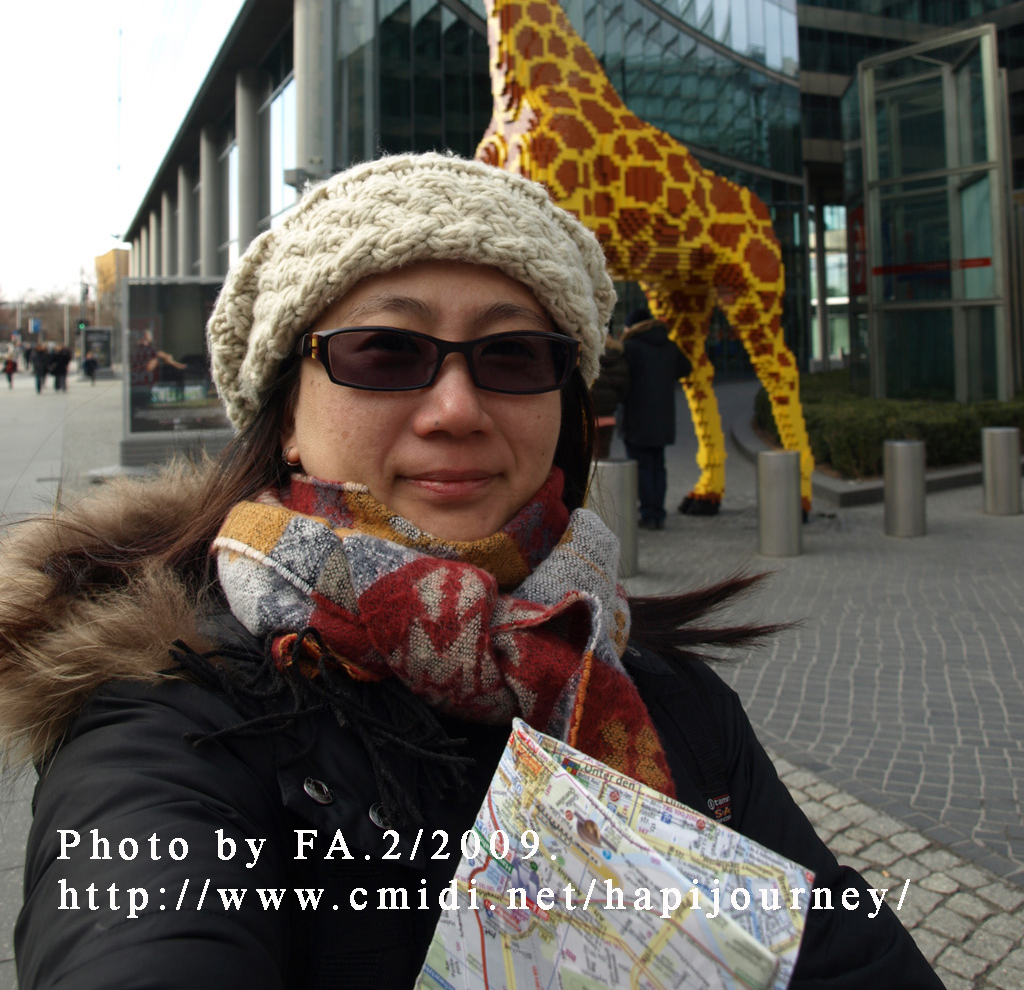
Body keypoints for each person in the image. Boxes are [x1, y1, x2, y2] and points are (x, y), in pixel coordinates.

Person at [0, 153, 940, 989]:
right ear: (285, 413)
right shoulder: (170, 717)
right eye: (385, 351)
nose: (455, 408)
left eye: (513, 354)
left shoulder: (672, 701)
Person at [621, 304, 690, 529]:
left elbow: (621, 380)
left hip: (637, 417)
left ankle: (648, 513)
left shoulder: (631, 348)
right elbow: (686, 368)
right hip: (663, 418)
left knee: (642, 467)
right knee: (658, 466)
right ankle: (658, 512)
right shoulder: (669, 346)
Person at [590, 332, 629, 459]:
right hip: (609, 416)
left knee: (586, 457)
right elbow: (624, 389)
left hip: (589, 416)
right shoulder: (620, 360)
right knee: (603, 455)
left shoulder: (590, 359)